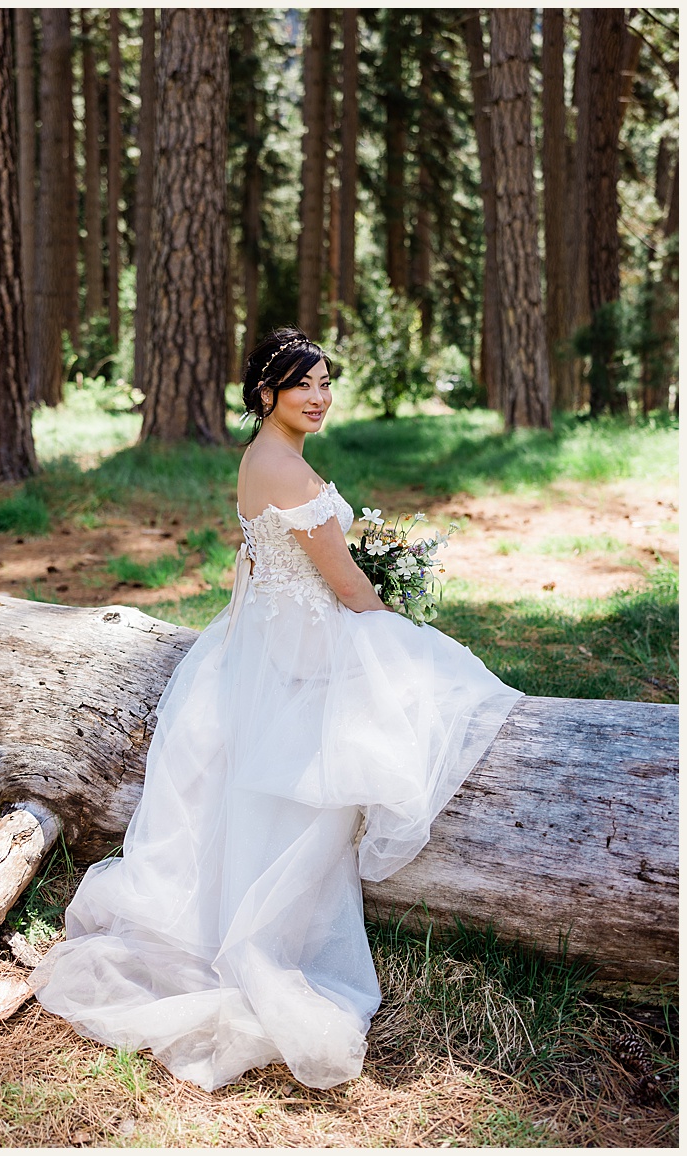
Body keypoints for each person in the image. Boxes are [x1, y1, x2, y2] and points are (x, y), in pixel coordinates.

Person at [28, 329, 523, 1091]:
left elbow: (262, 562)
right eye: (304, 385)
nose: (320, 397)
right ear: (268, 394)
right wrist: (402, 621)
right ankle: (269, 949)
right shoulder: (290, 473)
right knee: (443, 688)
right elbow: (347, 585)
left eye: (327, 383)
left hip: (271, 636)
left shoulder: (259, 459)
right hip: (310, 642)